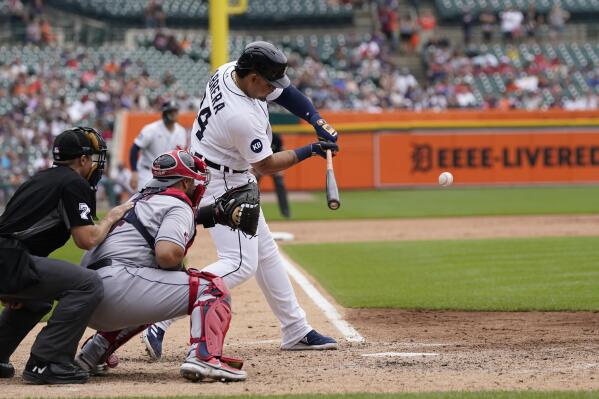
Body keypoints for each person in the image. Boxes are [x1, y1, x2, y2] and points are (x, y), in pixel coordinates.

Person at [142, 41, 339, 360]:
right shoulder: (240, 116)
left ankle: (295, 329)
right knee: (240, 263)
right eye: (268, 83)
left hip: (224, 171)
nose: (272, 89)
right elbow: (265, 165)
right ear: (253, 78)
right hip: (220, 181)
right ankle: (159, 317)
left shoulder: (231, 70)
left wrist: (316, 120)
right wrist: (311, 151)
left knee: (266, 252)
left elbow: (286, 94)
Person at [75, 149, 248, 382]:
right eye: (194, 180)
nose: (197, 185)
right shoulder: (178, 203)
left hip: (85, 298)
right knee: (212, 287)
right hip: (117, 289)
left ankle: (92, 353)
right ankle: (203, 357)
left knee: (153, 288)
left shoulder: (136, 199)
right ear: (185, 182)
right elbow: (166, 255)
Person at [0, 127, 132, 384]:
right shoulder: (74, 182)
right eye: (92, 158)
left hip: (8, 260)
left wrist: (14, 287)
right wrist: (112, 217)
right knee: (87, 283)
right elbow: (86, 240)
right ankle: (47, 362)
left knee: (36, 300)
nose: (94, 164)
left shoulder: (40, 178)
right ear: (82, 159)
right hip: (9, 261)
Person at [129, 100, 187, 191]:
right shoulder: (151, 129)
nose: (173, 114)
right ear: (164, 112)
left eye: (175, 111)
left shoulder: (181, 131)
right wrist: (134, 171)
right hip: (147, 172)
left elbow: (181, 155)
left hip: (168, 175)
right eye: (170, 111)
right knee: (145, 200)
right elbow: (135, 149)